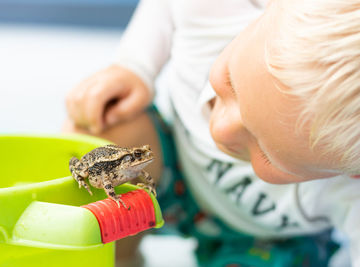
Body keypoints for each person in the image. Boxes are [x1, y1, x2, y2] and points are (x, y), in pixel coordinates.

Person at [64, 0, 360, 266]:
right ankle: (118, 257)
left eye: (266, 152)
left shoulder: (351, 186)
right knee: (101, 130)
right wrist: (134, 66)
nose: (220, 129)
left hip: (264, 238)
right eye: (229, 83)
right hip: (173, 167)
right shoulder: (218, 9)